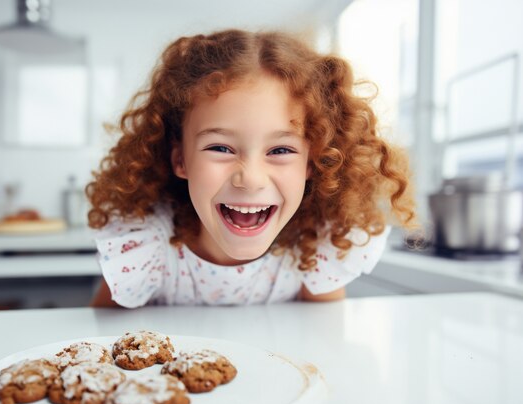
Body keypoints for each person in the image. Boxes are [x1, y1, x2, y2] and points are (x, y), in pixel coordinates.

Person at [86, 29, 417, 308]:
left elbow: (326, 347)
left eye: (281, 150)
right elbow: (100, 344)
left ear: (312, 164)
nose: (251, 178)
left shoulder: (316, 249)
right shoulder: (145, 251)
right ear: (181, 160)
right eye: (220, 148)